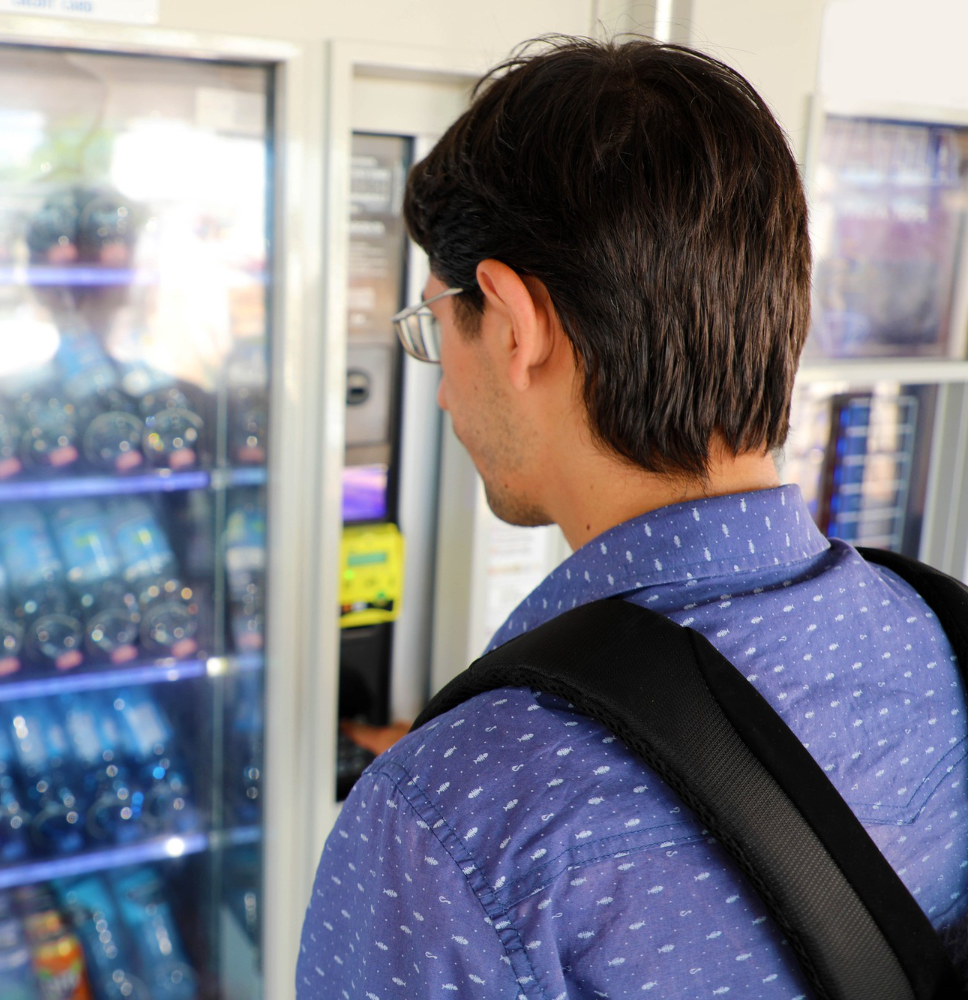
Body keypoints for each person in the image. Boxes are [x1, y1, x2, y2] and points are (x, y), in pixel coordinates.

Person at [298, 36, 968, 999]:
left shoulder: (449, 820)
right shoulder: (939, 637)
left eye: (434, 328)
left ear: (515, 323)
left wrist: (464, 768)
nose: (441, 394)